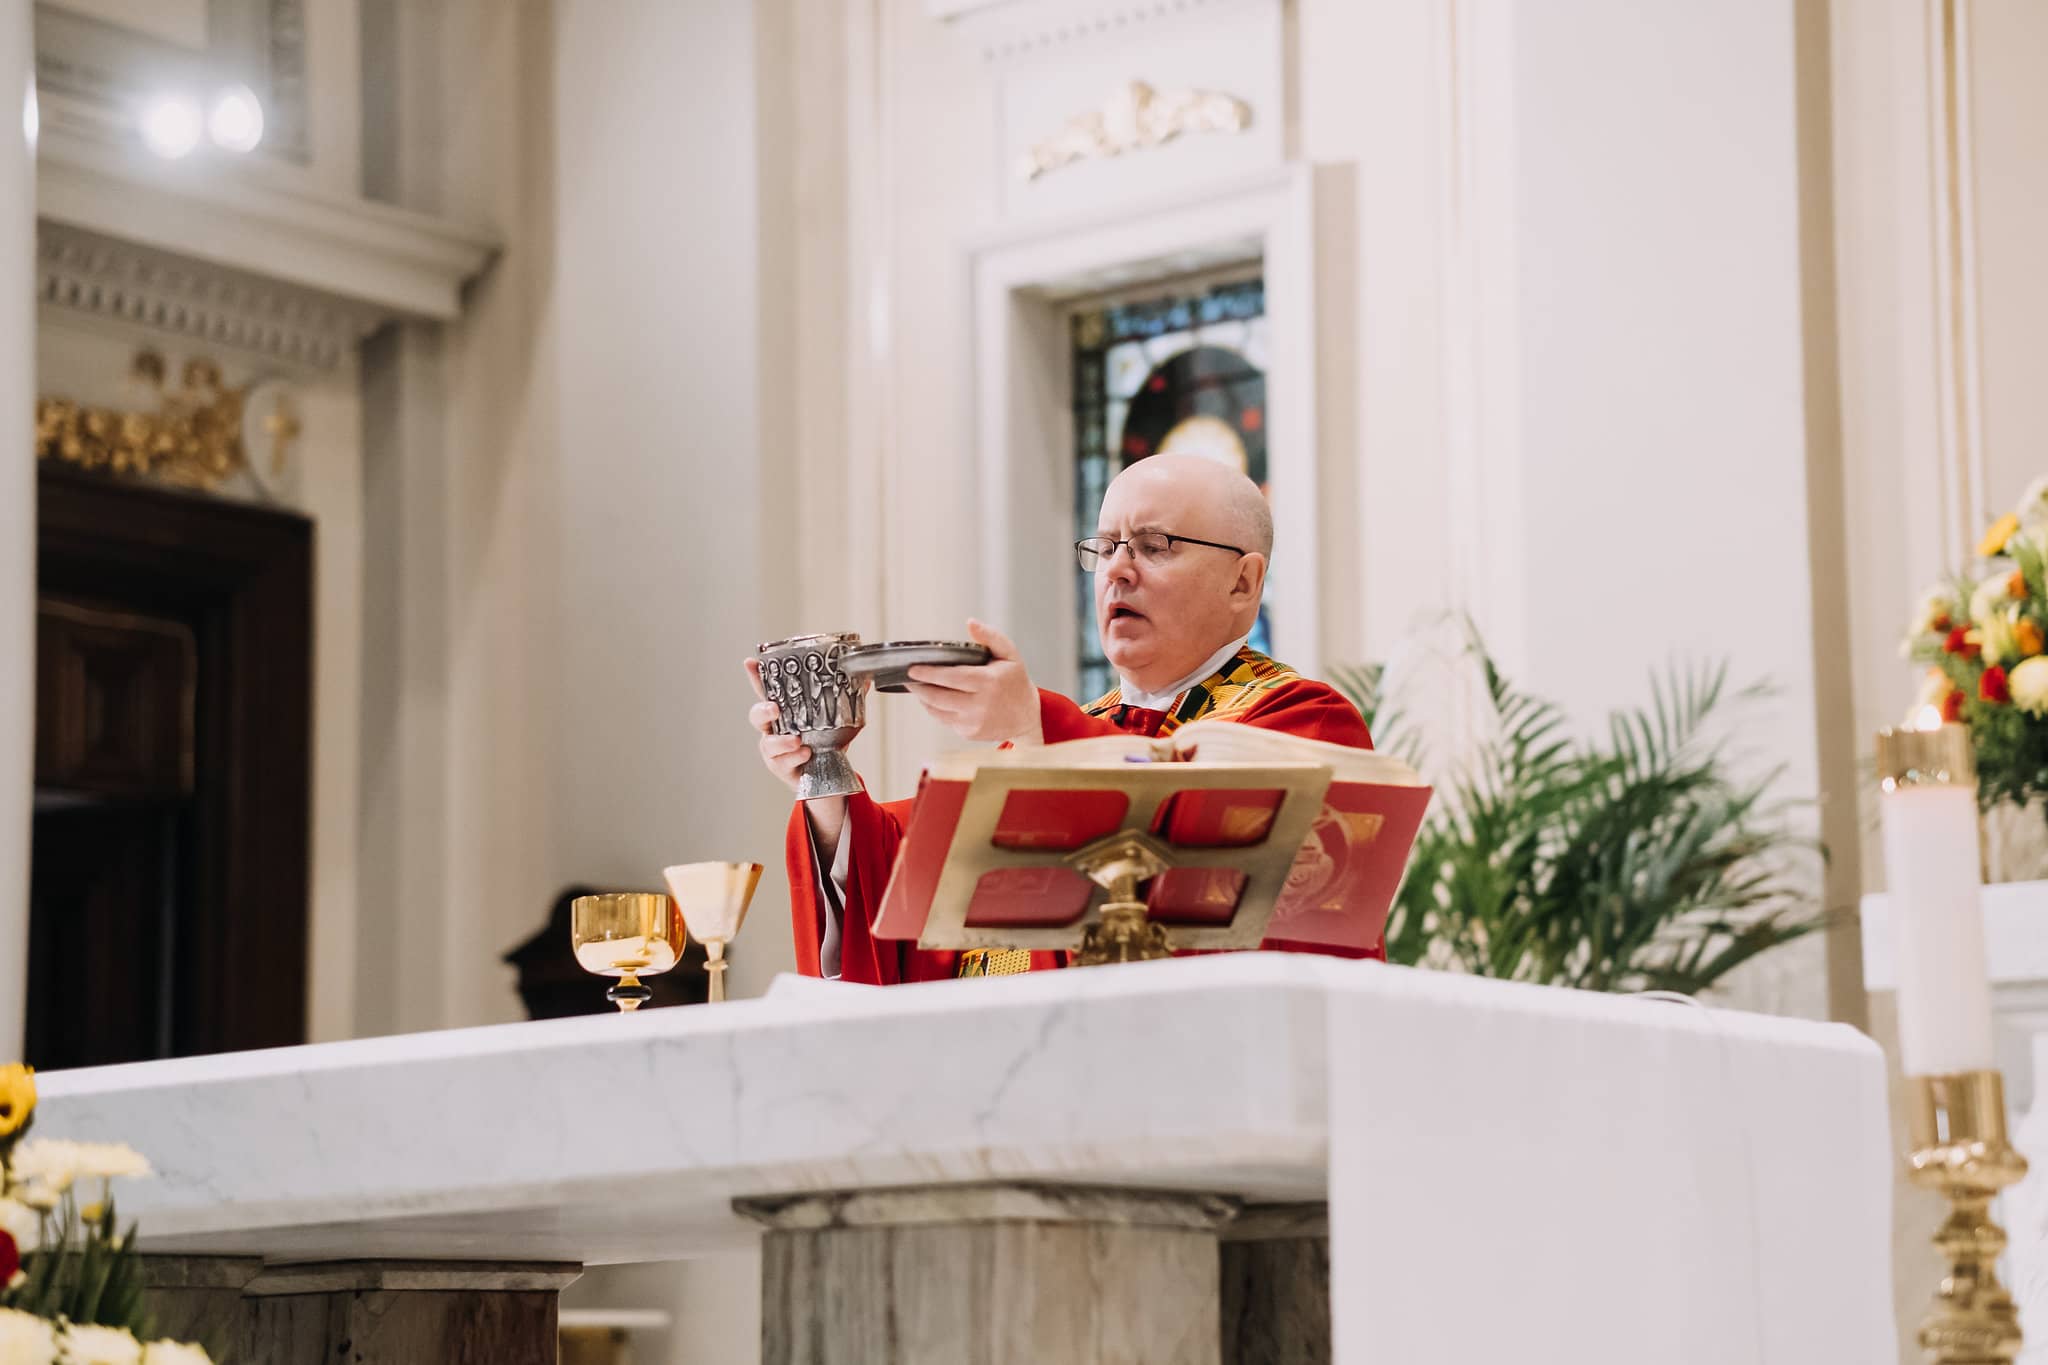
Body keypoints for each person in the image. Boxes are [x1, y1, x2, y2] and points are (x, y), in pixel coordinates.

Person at [747, 453, 1375, 984]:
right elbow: (899, 895)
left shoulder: (1306, 723)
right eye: (1104, 547)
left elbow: (1215, 901)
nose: (1118, 570)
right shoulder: (1047, 739)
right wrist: (823, 774)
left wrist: (1037, 728)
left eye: (1155, 546)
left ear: (1244, 582)